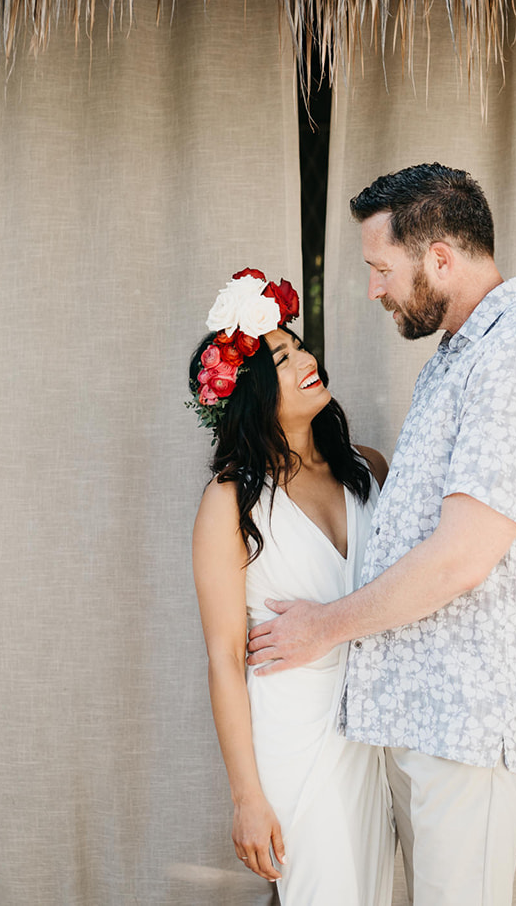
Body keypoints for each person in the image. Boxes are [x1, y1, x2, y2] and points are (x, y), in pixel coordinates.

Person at [246, 165, 516, 906]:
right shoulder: (456, 355)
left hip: (466, 728)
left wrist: (323, 629)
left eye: (380, 269)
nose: (372, 289)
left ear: (438, 258)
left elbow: (461, 557)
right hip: (418, 724)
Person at [187, 268, 395, 905]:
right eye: (283, 356)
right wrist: (248, 798)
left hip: (376, 730)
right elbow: (225, 658)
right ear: (251, 395)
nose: (306, 357)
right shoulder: (230, 502)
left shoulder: (368, 468)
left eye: (299, 345)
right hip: (295, 736)